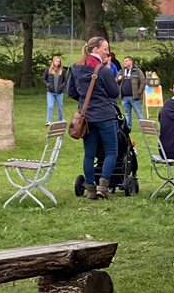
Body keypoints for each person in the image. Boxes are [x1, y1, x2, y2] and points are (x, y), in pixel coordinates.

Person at [70, 37, 122, 199]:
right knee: (111, 152)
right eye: (105, 49)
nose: (108, 52)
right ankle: (103, 186)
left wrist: (86, 100)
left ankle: (91, 189)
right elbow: (115, 93)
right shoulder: (104, 70)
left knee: (89, 154)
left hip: (86, 118)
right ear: (95, 50)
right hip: (105, 115)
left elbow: (71, 92)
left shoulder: (75, 68)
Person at [119, 58, 143, 126]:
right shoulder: (122, 71)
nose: (124, 62)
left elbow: (143, 81)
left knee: (139, 113)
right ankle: (128, 128)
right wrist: (118, 79)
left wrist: (139, 92)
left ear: (131, 62)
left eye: (126, 61)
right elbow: (115, 81)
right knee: (127, 113)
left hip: (134, 97)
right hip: (124, 97)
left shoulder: (137, 71)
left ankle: (145, 128)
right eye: (124, 61)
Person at [44, 56, 67, 123]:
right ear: (53, 62)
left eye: (59, 61)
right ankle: (49, 121)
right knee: (50, 106)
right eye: (56, 61)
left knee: (60, 107)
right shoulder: (48, 70)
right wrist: (48, 84)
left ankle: (60, 119)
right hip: (51, 92)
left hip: (59, 92)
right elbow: (44, 79)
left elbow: (65, 81)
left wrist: (62, 86)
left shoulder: (63, 71)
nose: (57, 63)